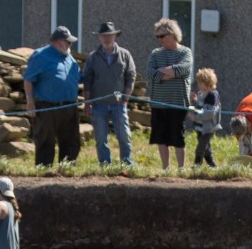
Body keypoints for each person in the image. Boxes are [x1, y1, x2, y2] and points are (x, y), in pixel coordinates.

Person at [22, 27, 83, 166]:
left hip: (69, 106)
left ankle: (67, 169)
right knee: (45, 141)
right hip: (47, 106)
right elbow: (28, 79)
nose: (70, 45)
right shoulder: (41, 55)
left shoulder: (69, 58)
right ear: (59, 42)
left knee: (71, 141)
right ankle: (44, 171)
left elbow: (79, 77)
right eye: (68, 42)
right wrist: (30, 100)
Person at [81, 21, 137, 166]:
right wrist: (87, 103)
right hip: (99, 104)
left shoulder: (125, 55)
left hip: (119, 104)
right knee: (100, 137)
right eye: (103, 36)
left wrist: (126, 97)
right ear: (99, 37)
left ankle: (127, 163)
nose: (107, 39)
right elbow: (87, 80)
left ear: (115, 36)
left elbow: (131, 76)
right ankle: (105, 164)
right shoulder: (93, 57)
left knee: (124, 136)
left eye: (109, 36)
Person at [144, 18, 194, 171]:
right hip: (158, 102)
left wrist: (164, 71)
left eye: (162, 36)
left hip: (178, 102)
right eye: (157, 37)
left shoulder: (185, 52)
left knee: (177, 137)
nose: (160, 40)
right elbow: (150, 73)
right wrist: (169, 73)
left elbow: (182, 69)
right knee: (161, 137)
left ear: (172, 34)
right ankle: (165, 167)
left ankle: (181, 168)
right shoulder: (155, 54)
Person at [186, 68, 222, 168]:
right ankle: (212, 165)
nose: (198, 85)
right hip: (199, 127)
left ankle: (197, 165)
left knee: (200, 147)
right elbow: (200, 106)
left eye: (200, 82)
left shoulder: (212, 96)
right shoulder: (201, 94)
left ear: (207, 83)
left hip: (208, 128)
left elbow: (209, 114)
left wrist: (195, 117)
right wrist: (195, 100)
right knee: (206, 148)